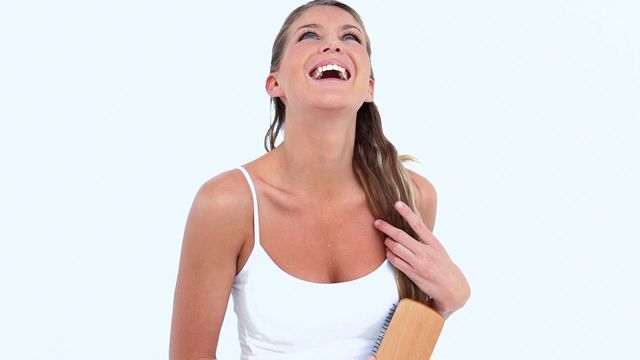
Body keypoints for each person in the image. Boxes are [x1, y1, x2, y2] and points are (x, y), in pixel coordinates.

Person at [169, 1, 470, 359]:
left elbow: (400, 350)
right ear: (274, 83)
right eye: (309, 35)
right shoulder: (228, 204)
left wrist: (446, 304)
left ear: (369, 88)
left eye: (351, 36)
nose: (333, 45)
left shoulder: (410, 197)